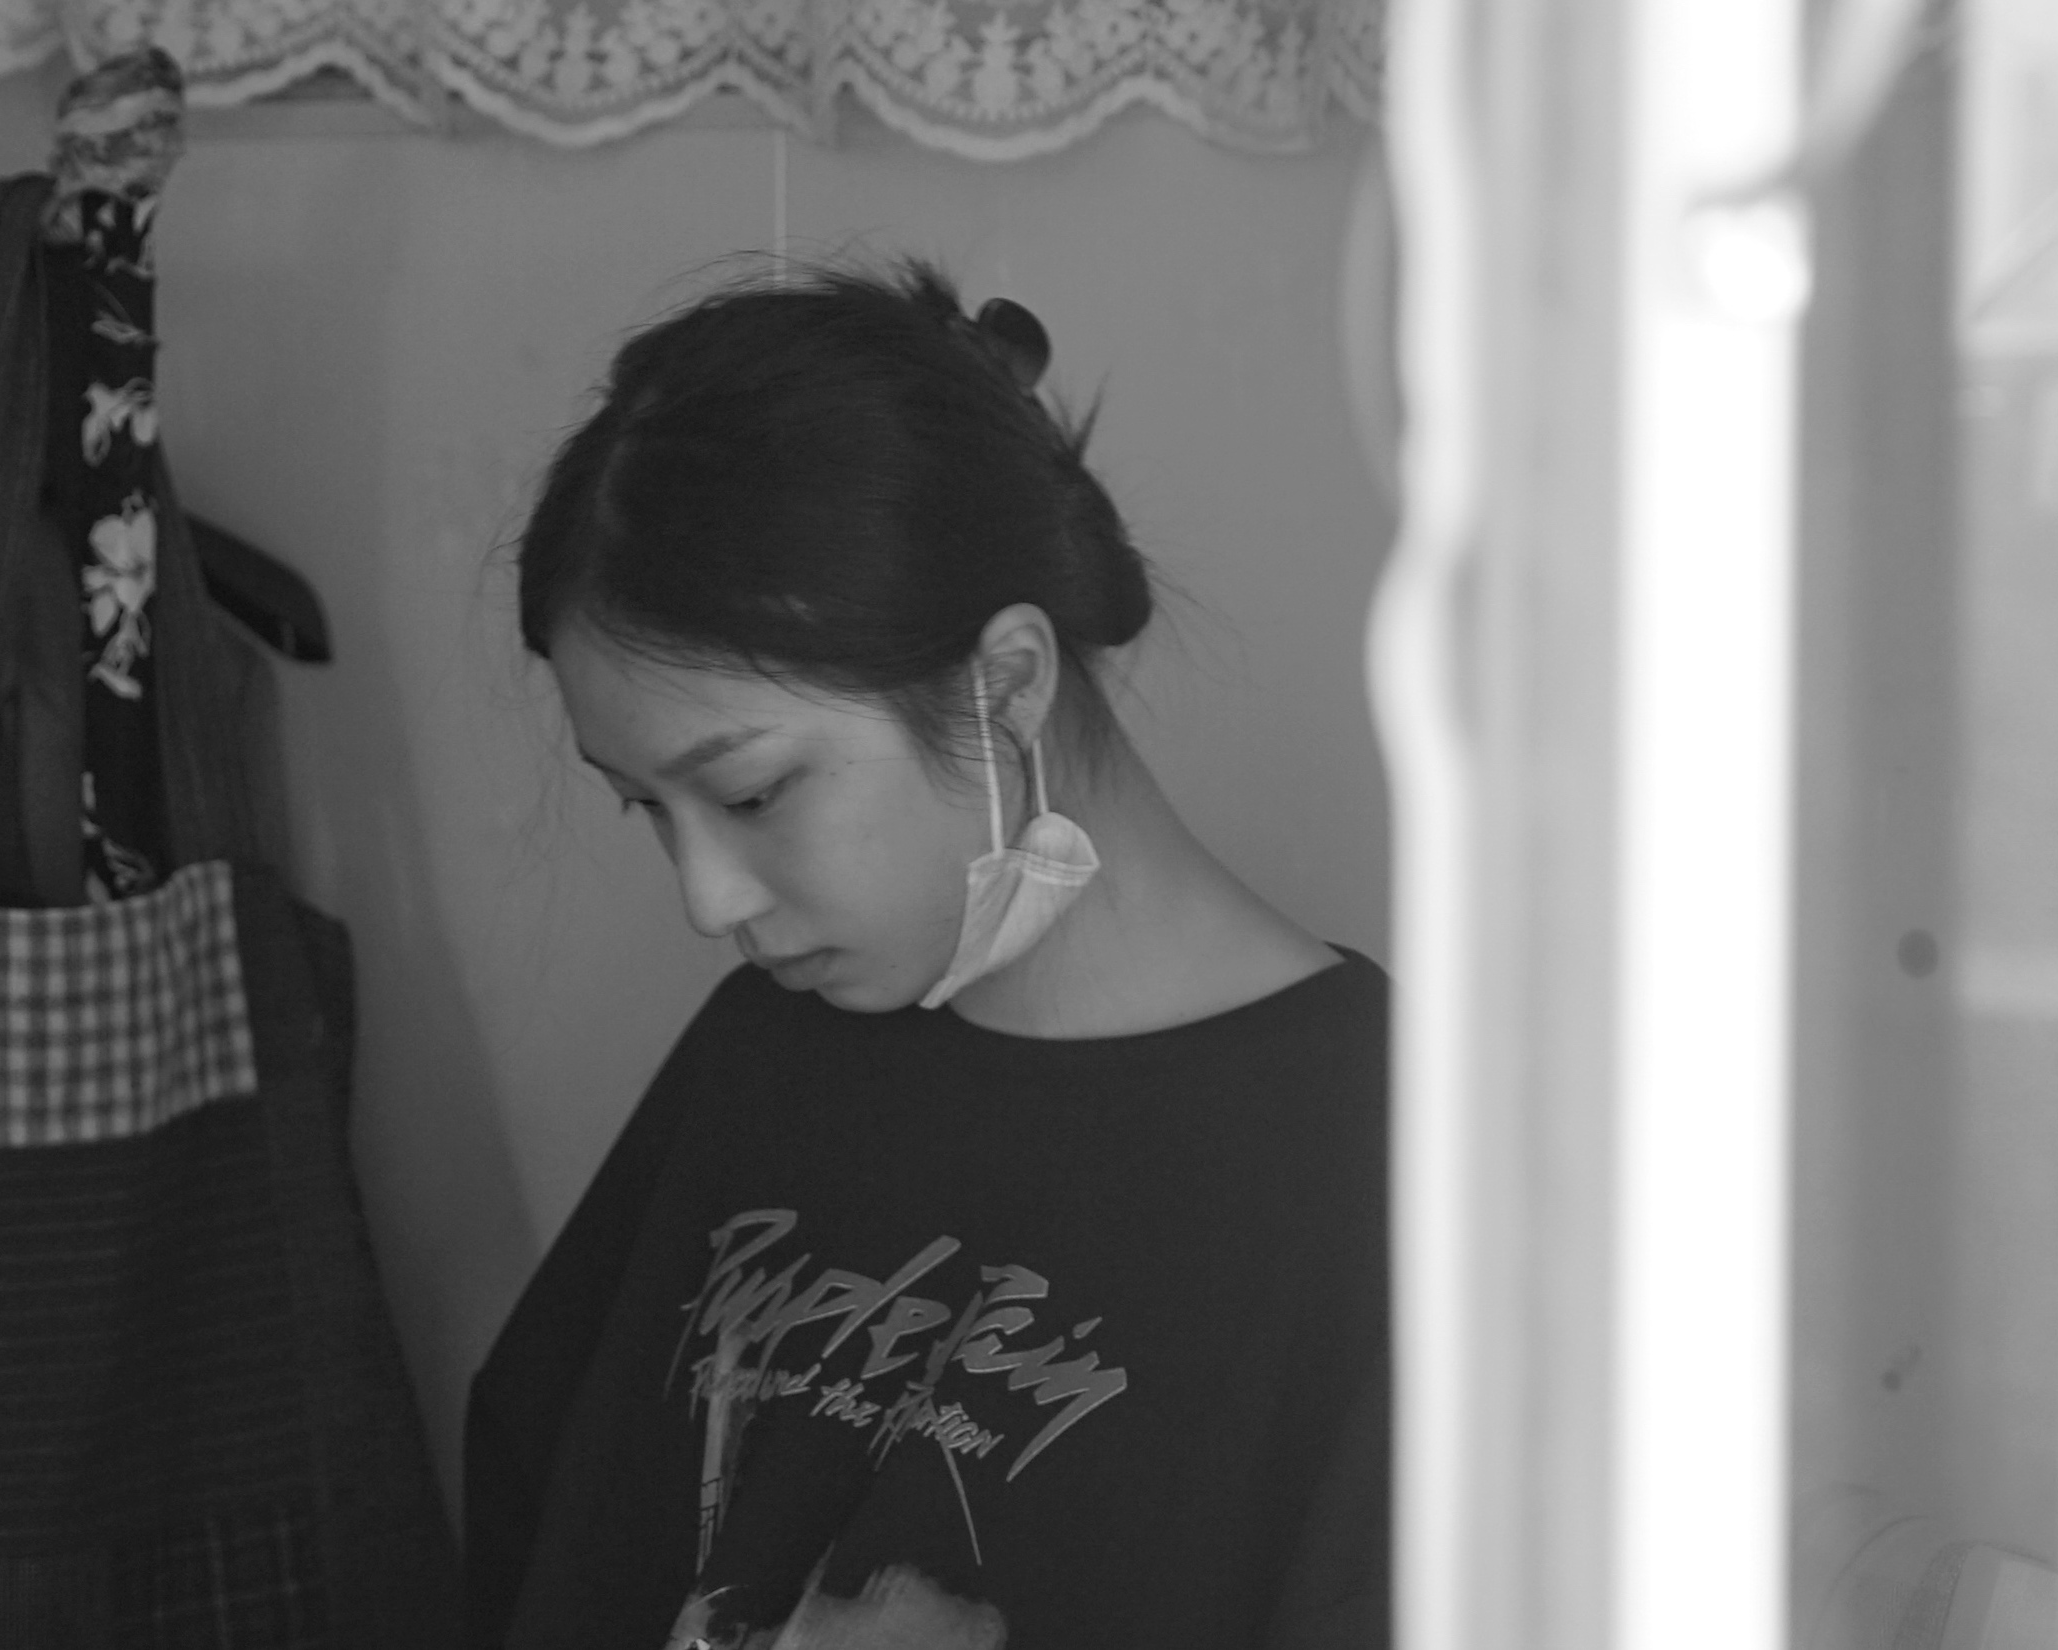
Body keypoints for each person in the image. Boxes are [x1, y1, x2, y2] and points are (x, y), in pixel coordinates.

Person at [464, 258, 1390, 1650]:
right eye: (644, 806)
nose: (707, 899)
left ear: (1005, 683)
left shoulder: (1382, 1169)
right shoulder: (764, 1055)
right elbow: (541, 1519)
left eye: (752, 793)